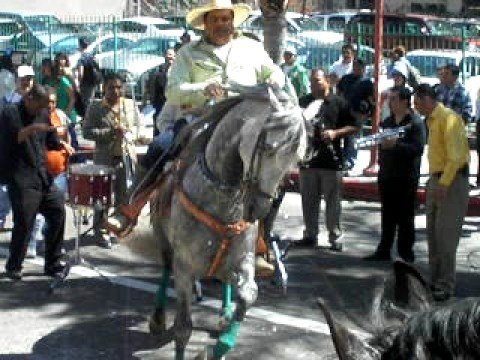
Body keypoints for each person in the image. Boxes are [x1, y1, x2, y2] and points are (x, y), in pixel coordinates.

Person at [106, 0, 285, 274]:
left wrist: (273, 80)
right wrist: (204, 88)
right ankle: (129, 209)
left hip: (245, 120)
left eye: (227, 19)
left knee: (272, 169)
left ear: (232, 21)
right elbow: (173, 91)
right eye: (216, 20)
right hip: (202, 120)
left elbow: (275, 74)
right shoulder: (188, 54)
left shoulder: (251, 48)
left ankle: (260, 244)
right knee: (161, 147)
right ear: (206, 23)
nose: (222, 24)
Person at [2, 84, 68, 280]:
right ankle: (14, 265)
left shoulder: (43, 114)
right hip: (20, 175)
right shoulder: (10, 112)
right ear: (29, 98)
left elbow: (50, 141)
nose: (41, 111)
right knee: (24, 221)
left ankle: (53, 263)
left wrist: (62, 142)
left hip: (41, 174)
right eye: (38, 106)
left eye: (43, 107)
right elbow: (17, 137)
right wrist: (32, 128)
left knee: (58, 210)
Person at [413, 83, 470, 302]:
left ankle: (446, 284)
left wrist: (444, 184)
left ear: (427, 99)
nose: (416, 108)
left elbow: (455, 157)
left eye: (418, 103)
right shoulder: (431, 120)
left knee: (446, 235)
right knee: (434, 234)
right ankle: (435, 280)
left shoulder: (449, 118)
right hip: (436, 179)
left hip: (451, 180)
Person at [296, 69, 361, 249]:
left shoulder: (339, 103)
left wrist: (335, 133)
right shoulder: (304, 102)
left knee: (333, 202)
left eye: (317, 81)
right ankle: (310, 234)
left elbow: (355, 126)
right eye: (311, 82)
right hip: (307, 161)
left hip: (331, 161)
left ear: (327, 81)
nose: (313, 86)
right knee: (308, 201)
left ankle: (335, 236)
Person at [364, 87, 425, 262]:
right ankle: (384, 249)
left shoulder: (415, 123)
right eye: (390, 99)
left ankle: (405, 252)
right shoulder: (388, 121)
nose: (390, 103)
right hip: (387, 176)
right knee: (387, 214)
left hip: (406, 177)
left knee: (405, 216)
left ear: (405, 101)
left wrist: (396, 145)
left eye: (394, 99)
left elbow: (417, 149)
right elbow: (383, 146)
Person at [82, 72, 141, 249]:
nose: (115, 91)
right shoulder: (95, 107)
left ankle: (116, 227)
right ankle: (100, 230)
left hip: (125, 157)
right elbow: (87, 132)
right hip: (104, 159)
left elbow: (138, 126)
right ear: (103, 88)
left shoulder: (130, 105)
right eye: (111, 88)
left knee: (124, 196)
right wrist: (110, 132)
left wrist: (131, 135)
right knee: (102, 197)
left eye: (118, 87)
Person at [48, 57, 79, 150]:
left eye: (64, 66)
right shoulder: (52, 81)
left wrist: (65, 114)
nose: (61, 69)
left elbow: (73, 98)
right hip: (58, 114)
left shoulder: (64, 81)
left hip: (67, 114)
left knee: (70, 138)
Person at [146, 47, 175, 137]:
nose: (169, 57)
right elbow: (152, 89)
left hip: (174, 104)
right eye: (168, 54)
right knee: (158, 127)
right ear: (164, 56)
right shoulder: (158, 73)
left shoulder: (178, 72)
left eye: (171, 55)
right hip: (160, 104)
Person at [76, 37, 99, 108]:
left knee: (85, 102)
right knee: (90, 100)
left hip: (85, 83)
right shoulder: (92, 56)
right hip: (93, 82)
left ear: (80, 46)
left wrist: (79, 83)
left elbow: (80, 74)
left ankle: (87, 117)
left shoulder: (82, 59)